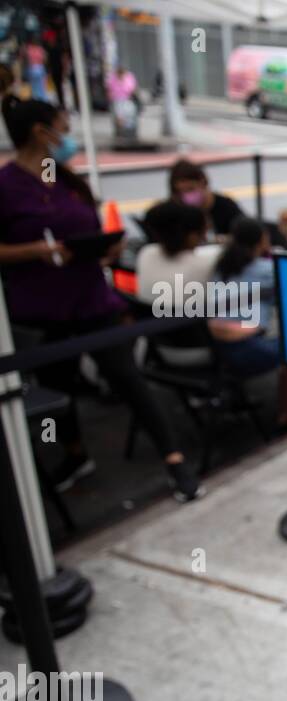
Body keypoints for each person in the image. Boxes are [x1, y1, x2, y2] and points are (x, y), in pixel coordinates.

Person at [0, 96, 202, 500]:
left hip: (92, 298)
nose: (67, 135)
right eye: (62, 126)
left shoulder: (62, 179)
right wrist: (40, 252)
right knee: (58, 389)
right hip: (43, 308)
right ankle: (73, 454)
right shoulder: (7, 186)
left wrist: (105, 248)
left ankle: (174, 458)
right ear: (41, 132)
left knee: (128, 377)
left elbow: (88, 227)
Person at [210, 217, 287, 429]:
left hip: (217, 350)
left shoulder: (222, 266)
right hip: (246, 348)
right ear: (262, 241)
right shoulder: (265, 269)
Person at [169, 159, 246, 237]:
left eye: (190, 189)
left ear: (202, 182)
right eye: (180, 192)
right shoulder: (172, 213)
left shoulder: (227, 207)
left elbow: (247, 233)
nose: (186, 195)